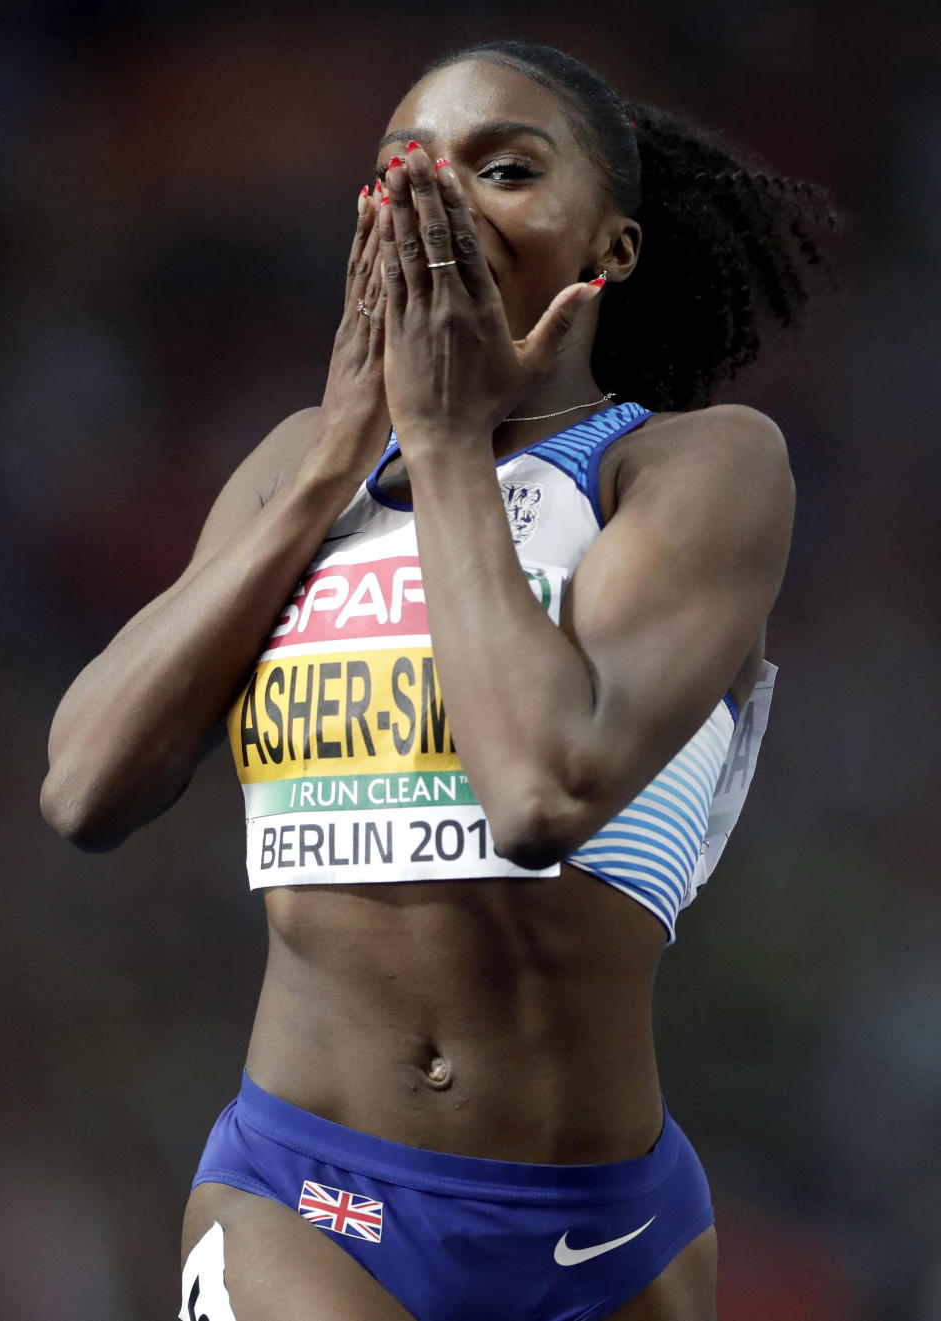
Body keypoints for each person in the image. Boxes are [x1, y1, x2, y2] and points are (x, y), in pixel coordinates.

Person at [41, 39, 837, 1321]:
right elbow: (84, 786)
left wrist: (452, 438)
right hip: (299, 1196)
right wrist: (334, 458)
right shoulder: (302, 465)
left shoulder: (695, 469)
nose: (445, 202)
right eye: (406, 173)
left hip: (603, 1231)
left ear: (610, 246)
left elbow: (538, 792)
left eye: (506, 168)